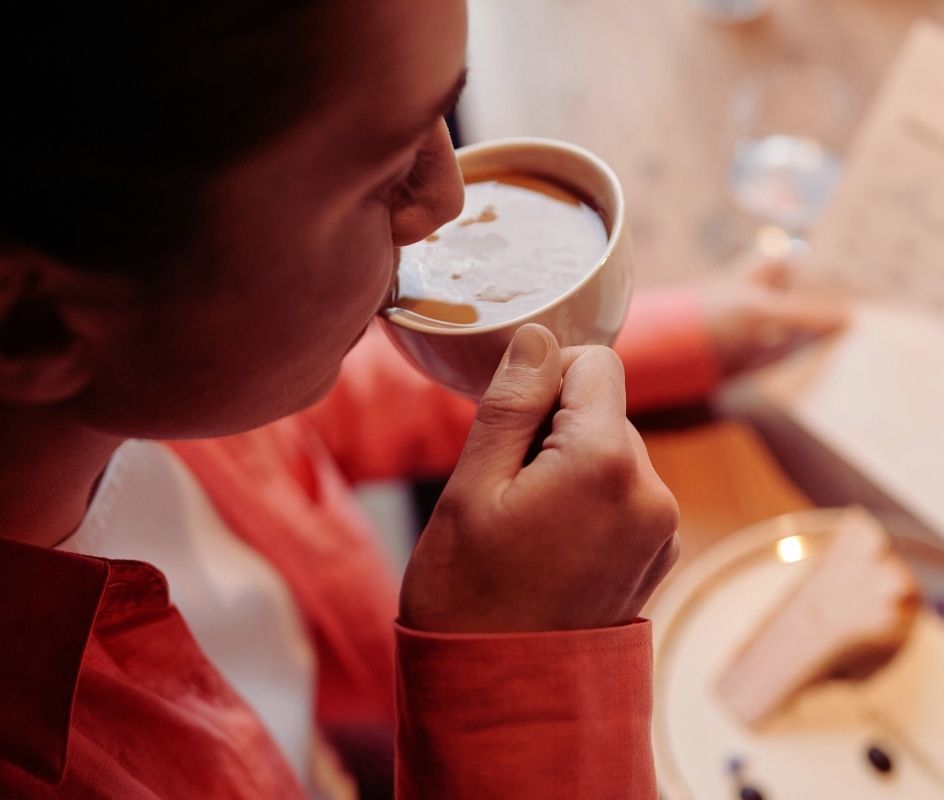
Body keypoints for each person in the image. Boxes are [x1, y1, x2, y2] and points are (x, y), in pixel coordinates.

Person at [0, 1, 844, 797]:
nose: (449, 199)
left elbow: (308, 408)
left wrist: (675, 334)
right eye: (390, 170)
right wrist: (521, 683)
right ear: (33, 323)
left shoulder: (155, 397)